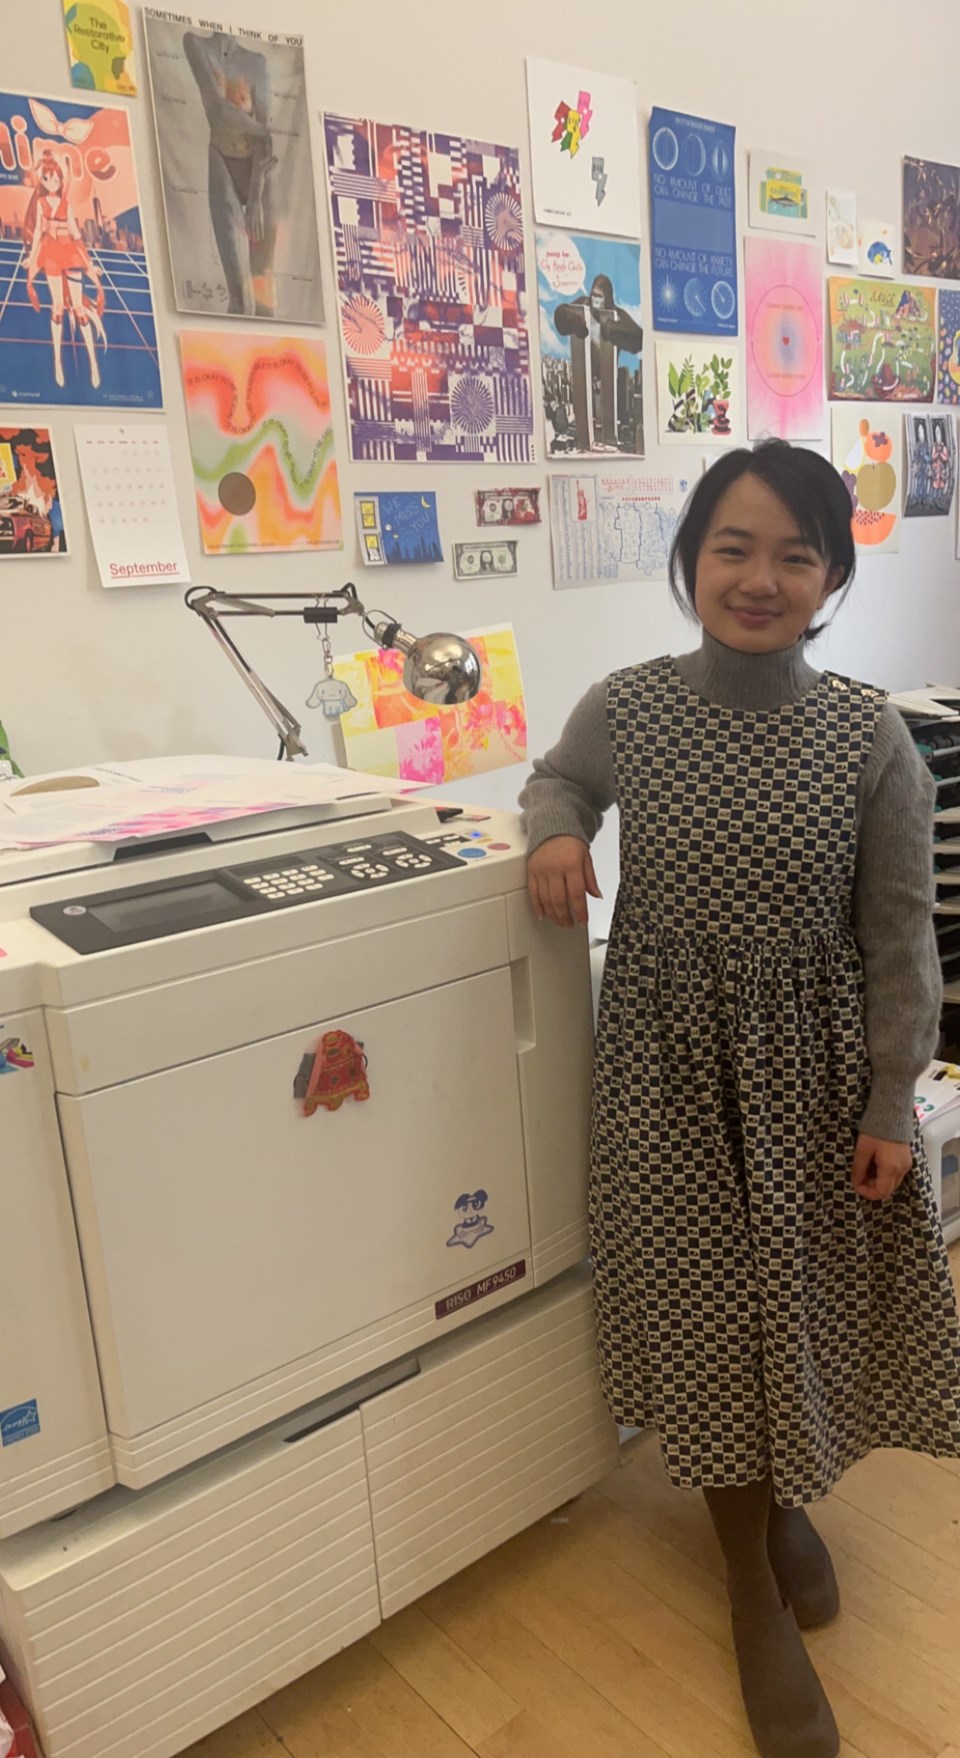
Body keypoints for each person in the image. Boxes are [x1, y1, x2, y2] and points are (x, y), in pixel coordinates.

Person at [519, 441, 960, 1758]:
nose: (760, 577)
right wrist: (553, 829)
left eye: (795, 553)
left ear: (830, 575)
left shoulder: (867, 736)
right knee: (705, 1310)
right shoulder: (631, 704)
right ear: (691, 558)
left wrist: (892, 1104)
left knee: (805, 1306)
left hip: (819, 1084)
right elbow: (561, 776)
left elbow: (901, 939)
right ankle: (746, 1574)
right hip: (662, 1078)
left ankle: (779, 1508)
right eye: (734, 546)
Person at [183, 29, 279, 317]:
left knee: (264, 298)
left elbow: (262, 130)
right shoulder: (195, 43)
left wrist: (256, 196)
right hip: (222, 160)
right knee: (239, 297)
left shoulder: (256, 61)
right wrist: (260, 130)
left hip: (257, 169)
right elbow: (216, 109)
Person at [23, 150, 106, 392]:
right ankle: (57, 362)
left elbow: (77, 235)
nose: (52, 182)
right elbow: (38, 232)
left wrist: (90, 264)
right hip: (50, 255)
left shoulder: (66, 204)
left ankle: (93, 363)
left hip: (69, 252)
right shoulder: (40, 204)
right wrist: (32, 258)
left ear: (61, 180)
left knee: (79, 308)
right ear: (43, 180)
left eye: (56, 178)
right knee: (57, 307)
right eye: (48, 178)